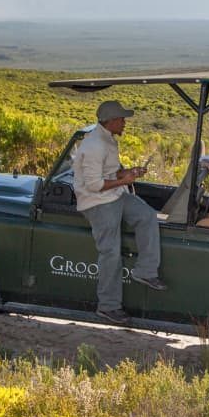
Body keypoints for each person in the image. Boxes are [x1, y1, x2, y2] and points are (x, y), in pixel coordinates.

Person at [72, 100, 166, 323]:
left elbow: (111, 172)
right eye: (122, 119)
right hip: (97, 202)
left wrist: (128, 172)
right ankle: (108, 306)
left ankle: (145, 271)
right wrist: (124, 180)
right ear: (111, 121)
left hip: (114, 195)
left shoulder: (108, 140)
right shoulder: (95, 146)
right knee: (110, 252)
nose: (125, 123)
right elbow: (94, 185)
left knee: (147, 216)